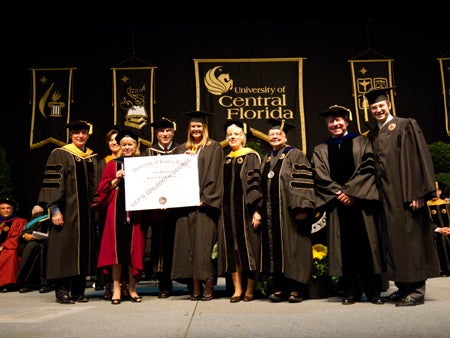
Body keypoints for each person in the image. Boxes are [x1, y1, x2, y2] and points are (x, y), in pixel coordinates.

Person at [366, 86, 440, 306]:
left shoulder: (405, 125)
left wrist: (418, 192)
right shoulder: (373, 134)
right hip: (386, 200)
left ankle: (416, 290)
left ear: (389, 105)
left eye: (381, 106)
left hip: (407, 196)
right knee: (394, 243)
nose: (378, 110)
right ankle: (402, 286)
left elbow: (419, 159)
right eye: (374, 107)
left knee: (411, 241)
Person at [311, 105, 384, 305]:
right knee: (345, 249)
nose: (335, 124)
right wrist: (338, 193)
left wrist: (351, 192)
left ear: (346, 122)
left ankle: (373, 291)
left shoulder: (362, 142)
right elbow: (320, 175)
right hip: (337, 205)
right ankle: (350, 292)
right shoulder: (320, 149)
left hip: (361, 203)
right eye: (331, 121)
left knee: (367, 246)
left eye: (338, 120)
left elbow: (368, 168)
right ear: (327, 124)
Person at [37, 120, 99, 304]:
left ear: (88, 134)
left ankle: (79, 292)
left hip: (85, 215)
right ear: (70, 135)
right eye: (76, 133)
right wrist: (54, 210)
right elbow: (52, 183)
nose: (80, 136)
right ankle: (62, 291)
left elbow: (95, 186)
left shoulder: (91, 157)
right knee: (64, 251)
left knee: (82, 252)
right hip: (66, 212)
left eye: (83, 133)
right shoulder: (59, 154)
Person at [259, 118, 315, 303]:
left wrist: (301, 207)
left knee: (294, 248)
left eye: (278, 134)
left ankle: (297, 288)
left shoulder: (295, 154)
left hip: (291, 213)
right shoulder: (266, 157)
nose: (274, 137)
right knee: (276, 249)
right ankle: (280, 287)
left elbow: (301, 180)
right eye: (272, 134)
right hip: (270, 213)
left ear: (285, 136)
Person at [171, 110, 224, 301]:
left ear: (205, 128)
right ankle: (194, 286)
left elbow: (215, 175)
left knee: (205, 246)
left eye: (199, 126)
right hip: (186, 206)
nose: (196, 129)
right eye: (193, 126)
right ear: (189, 128)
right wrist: (182, 161)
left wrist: (206, 197)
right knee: (189, 247)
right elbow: (173, 177)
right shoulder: (180, 149)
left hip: (204, 206)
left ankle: (208, 284)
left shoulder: (214, 147)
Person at [96, 129, 146, 305]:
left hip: (136, 211)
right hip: (116, 210)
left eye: (130, 144)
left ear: (136, 145)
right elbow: (102, 189)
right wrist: (116, 180)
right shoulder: (112, 164)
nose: (126, 147)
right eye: (123, 144)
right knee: (116, 250)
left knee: (133, 249)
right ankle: (117, 288)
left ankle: (132, 288)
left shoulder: (144, 163)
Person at [218, 121, 262, 303]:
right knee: (233, 251)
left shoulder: (251, 156)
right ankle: (237, 289)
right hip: (227, 212)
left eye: (236, 134)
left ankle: (250, 289)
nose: (233, 137)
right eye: (230, 134)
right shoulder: (225, 159)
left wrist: (257, 210)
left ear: (243, 138)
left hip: (246, 211)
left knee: (248, 250)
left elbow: (256, 184)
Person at [142, 118, 178, 298]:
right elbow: (144, 180)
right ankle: (165, 284)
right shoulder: (148, 153)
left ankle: (186, 280)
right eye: (161, 131)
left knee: (180, 244)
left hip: (179, 208)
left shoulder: (181, 151)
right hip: (157, 211)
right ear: (156, 134)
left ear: (173, 132)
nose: (165, 134)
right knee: (161, 246)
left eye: (168, 131)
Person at [94, 128, 121, 300]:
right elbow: (99, 187)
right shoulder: (103, 162)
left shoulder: (131, 160)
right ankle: (108, 285)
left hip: (123, 210)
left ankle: (122, 285)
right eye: (110, 140)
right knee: (107, 250)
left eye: (116, 140)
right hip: (107, 211)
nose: (113, 143)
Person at [16, 204, 54, 293]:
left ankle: (46, 283)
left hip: (49, 242)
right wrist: (25, 236)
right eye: (35, 212)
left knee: (41, 248)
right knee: (31, 247)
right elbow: (22, 234)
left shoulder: (49, 218)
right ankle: (27, 283)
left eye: (39, 212)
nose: (37, 214)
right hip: (33, 242)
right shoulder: (31, 222)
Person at [0, 198, 27, 292]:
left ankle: (7, 284)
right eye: (2, 208)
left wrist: (3, 246)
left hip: (10, 248)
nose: (5, 210)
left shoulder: (20, 221)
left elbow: (18, 237)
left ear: (13, 209)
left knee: (9, 254)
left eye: (8, 208)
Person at [427, 183, 450, 276]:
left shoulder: (447, 205)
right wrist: (438, 229)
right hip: (434, 232)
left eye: (435, 191)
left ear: (440, 192)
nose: (433, 194)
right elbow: (427, 222)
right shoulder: (426, 206)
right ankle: (439, 269)